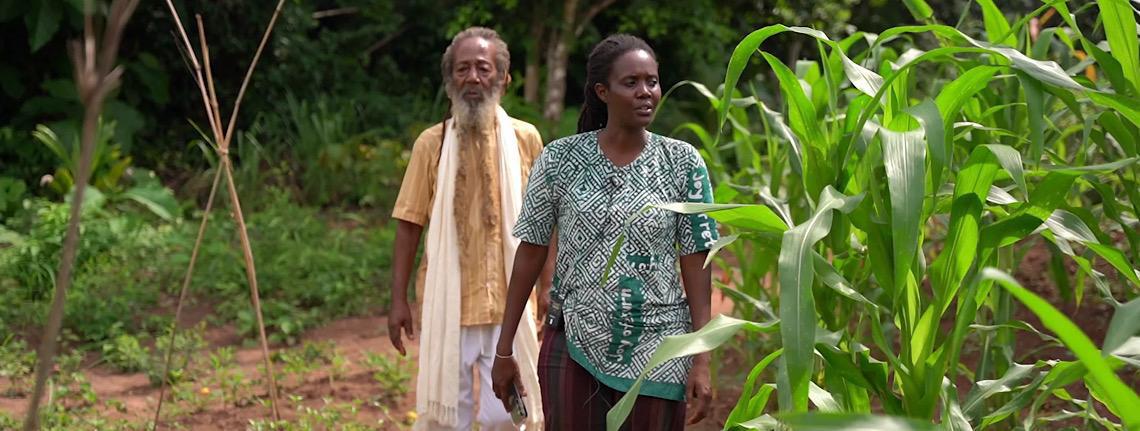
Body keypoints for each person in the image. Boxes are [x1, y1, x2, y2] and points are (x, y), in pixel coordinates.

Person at [491, 34, 717, 430]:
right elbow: (531, 251)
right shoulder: (560, 160)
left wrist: (701, 357)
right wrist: (505, 348)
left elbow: (697, 261)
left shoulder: (682, 163)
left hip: (659, 346)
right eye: (631, 83)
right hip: (573, 341)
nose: (646, 92)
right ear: (603, 91)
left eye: (652, 81)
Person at [387, 26, 550, 431]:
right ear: (449, 80)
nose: (473, 78)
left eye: (483, 68)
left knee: (511, 418)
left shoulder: (525, 139)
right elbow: (409, 225)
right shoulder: (432, 144)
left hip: (511, 307)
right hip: (447, 306)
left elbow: (546, 222)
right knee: (448, 418)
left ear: (503, 78)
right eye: (462, 69)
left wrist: (548, 286)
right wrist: (398, 300)